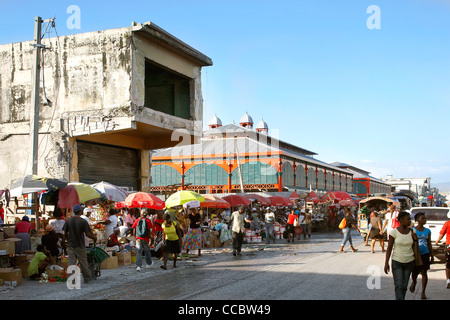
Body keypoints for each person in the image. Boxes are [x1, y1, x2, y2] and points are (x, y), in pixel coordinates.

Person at [384, 211, 417, 300]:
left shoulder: (412, 231)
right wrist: (386, 263)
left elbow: (415, 247)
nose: (410, 221)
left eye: (410, 219)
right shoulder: (394, 232)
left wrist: (415, 239)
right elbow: (389, 248)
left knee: (404, 286)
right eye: (408, 219)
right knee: (398, 285)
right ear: (401, 220)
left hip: (410, 261)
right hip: (397, 261)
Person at [63, 204, 97, 283]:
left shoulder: (68, 221)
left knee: (72, 263)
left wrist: (67, 241)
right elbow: (87, 233)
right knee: (83, 263)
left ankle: (72, 280)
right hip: (80, 245)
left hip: (71, 245)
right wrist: (94, 237)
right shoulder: (83, 221)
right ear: (80, 211)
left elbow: (64, 234)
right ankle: (87, 278)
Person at [410, 212, 433, 299]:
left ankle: (423, 292)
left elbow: (429, 243)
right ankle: (414, 281)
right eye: (422, 218)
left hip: (425, 253)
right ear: (417, 220)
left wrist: (432, 255)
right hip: (415, 254)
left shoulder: (428, 231)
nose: (425, 220)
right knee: (414, 271)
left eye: (425, 218)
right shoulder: (412, 230)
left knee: (424, 272)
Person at [435, 214, 450, 289]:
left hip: (449, 246)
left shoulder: (447, 223)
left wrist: (437, 241)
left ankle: (448, 280)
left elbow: (442, 233)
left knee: (448, 264)